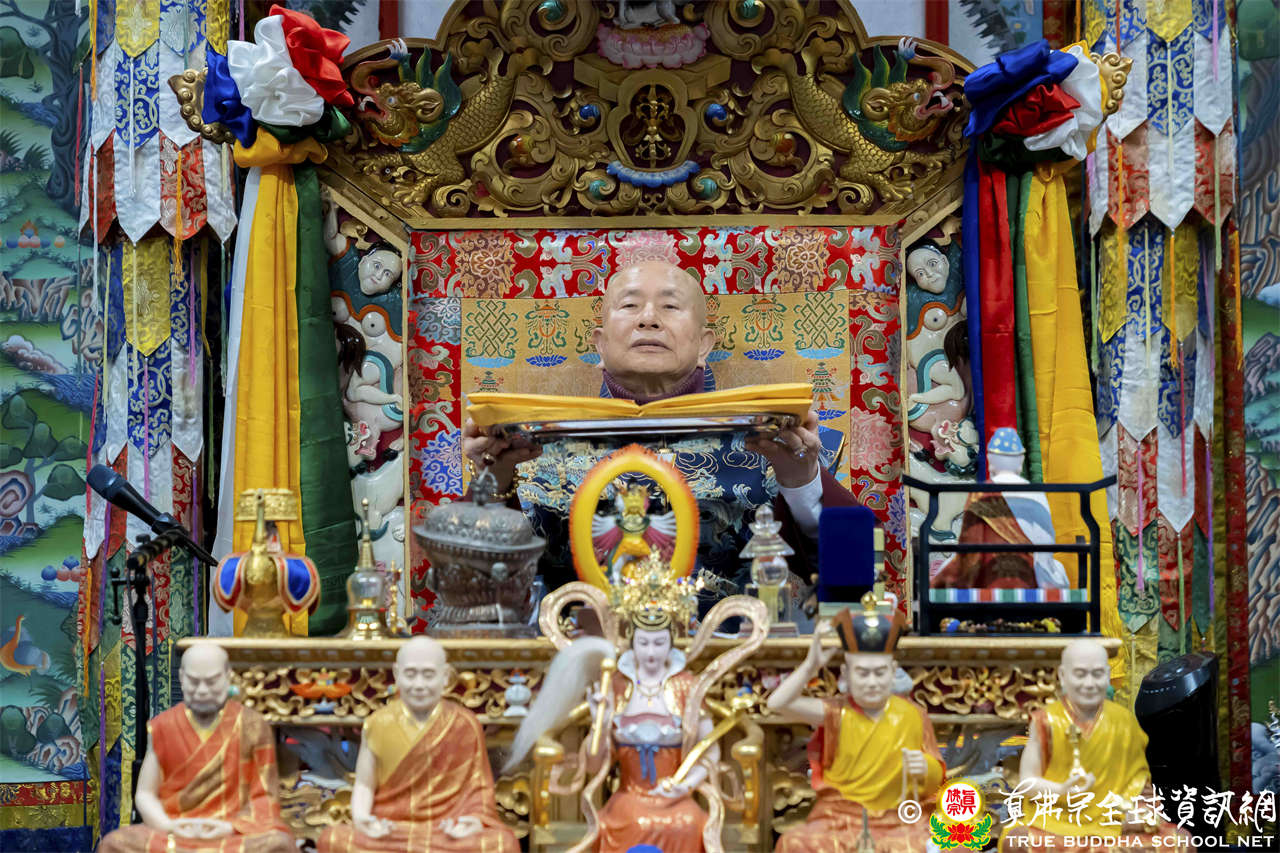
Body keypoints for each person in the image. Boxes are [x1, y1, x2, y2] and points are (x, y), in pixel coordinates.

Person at [462, 260, 860, 595]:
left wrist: (800, 479)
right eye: (630, 305)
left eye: (670, 306)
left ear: (704, 345)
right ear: (599, 345)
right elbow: (473, 589)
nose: (648, 319)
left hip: (736, 653)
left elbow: (855, 580)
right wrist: (494, 482)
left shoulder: (773, 441)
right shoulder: (532, 444)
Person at [503, 569, 767, 853]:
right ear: (632, 641)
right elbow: (593, 765)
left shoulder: (686, 686)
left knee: (687, 823)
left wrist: (686, 785)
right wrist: (600, 721)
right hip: (629, 795)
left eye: (659, 643)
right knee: (632, 822)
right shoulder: (617, 685)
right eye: (644, 643)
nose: (651, 652)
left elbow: (708, 748)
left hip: (676, 797)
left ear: (671, 642)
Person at [768, 595, 945, 853]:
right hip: (840, 818)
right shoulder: (836, 713)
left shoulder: (912, 715)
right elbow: (777, 704)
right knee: (794, 842)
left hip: (898, 820)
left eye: (880, 672)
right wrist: (810, 666)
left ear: (893, 671)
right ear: (846, 674)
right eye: (862, 673)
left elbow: (936, 778)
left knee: (941, 844)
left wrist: (926, 768)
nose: (872, 682)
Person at [317, 636, 518, 853]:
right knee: (332, 838)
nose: (419, 685)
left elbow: (478, 791)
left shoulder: (465, 724)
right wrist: (362, 818)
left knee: (503, 844)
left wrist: (474, 821)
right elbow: (365, 784)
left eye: (428, 675)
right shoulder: (378, 723)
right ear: (396, 674)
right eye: (410, 674)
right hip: (391, 829)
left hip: (446, 831)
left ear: (445, 676)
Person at [998, 639, 1194, 852]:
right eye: (1080, 674)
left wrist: (1140, 810)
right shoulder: (1046, 720)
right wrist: (1061, 790)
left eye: (1097, 674)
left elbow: (1140, 787)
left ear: (1108, 675)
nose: (1089, 683)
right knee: (1017, 841)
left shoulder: (1124, 721)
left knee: (1181, 842)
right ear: (1063, 675)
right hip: (1058, 820)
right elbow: (1028, 783)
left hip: (1114, 820)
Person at [97, 644, 294, 853]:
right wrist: (167, 825)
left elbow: (265, 796)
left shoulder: (252, 725)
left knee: (279, 844)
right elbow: (146, 794)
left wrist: (230, 827)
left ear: (228, 677)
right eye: (193, 681)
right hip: (176, 832)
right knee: (114, 844)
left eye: (211, 682)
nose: (202, 691)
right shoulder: (163, 726)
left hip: (230, 834)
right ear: (181, 678)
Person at [931, 427, 1069, 589]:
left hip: (988, 576)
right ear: (1020, 460)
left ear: (991, 460)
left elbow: (969, 544)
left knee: (946, 568)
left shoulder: (981, 494)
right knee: (1058, 569)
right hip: (1028, 575)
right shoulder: (1034, 493)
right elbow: (1046, 541)